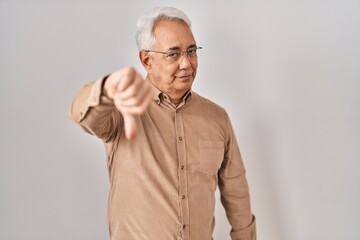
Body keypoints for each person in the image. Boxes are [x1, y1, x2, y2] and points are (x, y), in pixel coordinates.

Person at [69, 6, 256, 240]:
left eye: (191, 51)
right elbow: (81, 114)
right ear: (146, 59)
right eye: (173, 54)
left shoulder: (217, 117)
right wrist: (106, 89)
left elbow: (235, 190)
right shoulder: (121, 110)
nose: (186, 63)